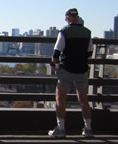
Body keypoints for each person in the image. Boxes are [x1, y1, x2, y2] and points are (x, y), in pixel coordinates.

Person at [48, 8, 94, 138]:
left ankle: (61, 129)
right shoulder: (87, 32)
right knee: (84, 100)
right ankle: (88, 129)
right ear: (77, 18)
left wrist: (55, 65)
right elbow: (90, 52)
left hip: (67, 69)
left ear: (67, 18)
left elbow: (56, 52)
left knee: (60, 99)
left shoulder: (64, 31)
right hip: (82, 70)